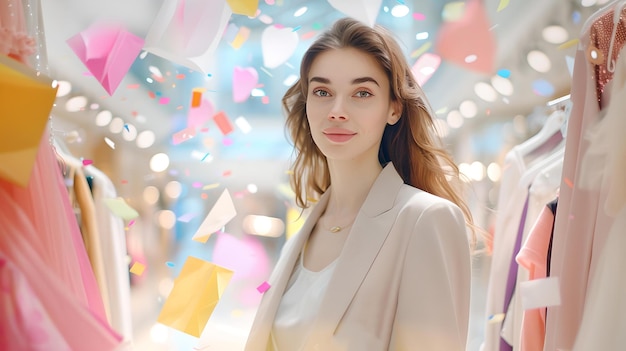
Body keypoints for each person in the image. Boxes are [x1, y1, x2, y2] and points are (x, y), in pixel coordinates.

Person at [244, 17, 476, 351]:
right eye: (322, 92)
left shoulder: (425, 220)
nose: (337, 111)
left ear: (393, 108)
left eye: (362, 93)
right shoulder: (304, 230)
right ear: (307, 104)